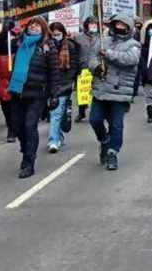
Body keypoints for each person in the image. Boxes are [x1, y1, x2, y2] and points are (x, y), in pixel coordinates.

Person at [7, 17, 61, 178]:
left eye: (38, 25)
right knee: (16, 126)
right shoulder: (18, 42)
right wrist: (6, 29)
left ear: (43, 28)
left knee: (30, 125)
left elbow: (54, 71)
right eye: (32, 24)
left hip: (37, 92)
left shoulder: (47, 45)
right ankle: (26, 149)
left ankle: (29, 161)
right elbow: (0, 48)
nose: (34, 27)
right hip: (18, 91)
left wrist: (54, 95)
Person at [87, 14, 141, 171]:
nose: (119, 27)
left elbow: (130, 60)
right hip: (101, 89)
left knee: (116, 125)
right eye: (117, 24)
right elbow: (92, 58)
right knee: (95, 119)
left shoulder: (134, 44)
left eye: (123, 25)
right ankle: (104, 141)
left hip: (120, 92)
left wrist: (109, 54)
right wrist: (96, 67)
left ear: (129, 27)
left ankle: (112, 153)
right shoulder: (103, 41)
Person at [47, 22, 81, 153]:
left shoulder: (70, 46)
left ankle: (53, 141)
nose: (56, 36)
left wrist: (69, 81)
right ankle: (58, 136)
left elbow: (74, 66)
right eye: (53, 34)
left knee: (55, 113)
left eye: (58, 34)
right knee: (55, 113)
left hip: (64, 84)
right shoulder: (46, 47)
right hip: (49, 84)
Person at [0, 24, 19, 142]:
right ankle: (11, 127)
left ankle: (12, 131)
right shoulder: (0, 55)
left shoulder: (18, 51)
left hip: (16, 84)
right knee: (6, 110)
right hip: (3, 86)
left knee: (15, 109)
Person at [74, 15, 99, 122]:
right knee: (82, 92)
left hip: (96, 68)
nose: (93, 26)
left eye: (95, 24)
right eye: (91, 23)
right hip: (82, 67)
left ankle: (96, 112)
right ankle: (82, 112)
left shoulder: (101, 37)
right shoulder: (78, 38)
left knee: (96, 91)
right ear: (86, 25)